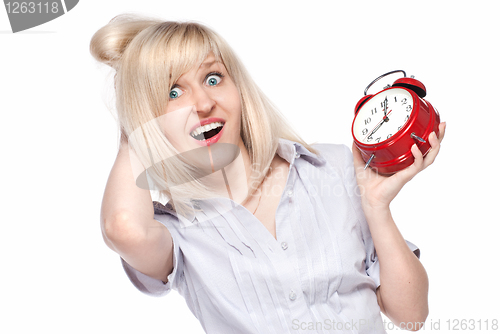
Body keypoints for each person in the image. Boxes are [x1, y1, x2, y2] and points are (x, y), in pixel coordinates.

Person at [90, 14, 446, 334]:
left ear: (238, 89)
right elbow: (123, 228)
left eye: (213, 78)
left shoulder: (334, 168)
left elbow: (411, 316)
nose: (202, 102)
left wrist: (376, 208)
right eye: (173, 92)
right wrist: (134, 121)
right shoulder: (179, 233)